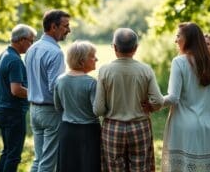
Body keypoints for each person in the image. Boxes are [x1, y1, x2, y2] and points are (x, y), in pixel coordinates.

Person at [94, 28, 164, 172]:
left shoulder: (105, 70)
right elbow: (158, 101)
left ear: (114, 47)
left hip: (113, 128)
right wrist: (150, 107)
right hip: (139, 126)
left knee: (114, 168)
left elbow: (99, 109)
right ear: (136, 48)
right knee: (140, 167)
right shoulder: (146, 70)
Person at [162, 22, 210, 172]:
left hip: (184, 127)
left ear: (188, 39)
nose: (175, 40)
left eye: (178, 36)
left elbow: (173, 98)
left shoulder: (179, 62)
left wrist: (154, 103)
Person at [25, 9, 70, 172]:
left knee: (39, 159)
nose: (69, 30)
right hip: (50, 112)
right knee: (48, 163)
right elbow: (55, 88)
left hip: (34, 110)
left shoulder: (32, 48)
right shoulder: (55, 52)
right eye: (66, 26)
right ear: (53, 26)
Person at [0, 24, 37, 172]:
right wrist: (36, 94)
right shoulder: (15, 60)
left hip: (1, 109)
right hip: (12, 113)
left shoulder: (4, 53)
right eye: (31, 41)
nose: (32, 45)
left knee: (7, 152)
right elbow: (16, 90)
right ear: (21, 40)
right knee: (14, 155)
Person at [54, 40, 101, 172]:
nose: (96, 59)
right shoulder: (91, 83)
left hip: (67, 130)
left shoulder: (60, 80)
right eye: (93, 56)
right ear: (82, 61)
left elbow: (58, 107)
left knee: (68, 166)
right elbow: (97, 111)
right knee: (89, 165)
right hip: (89, 132)